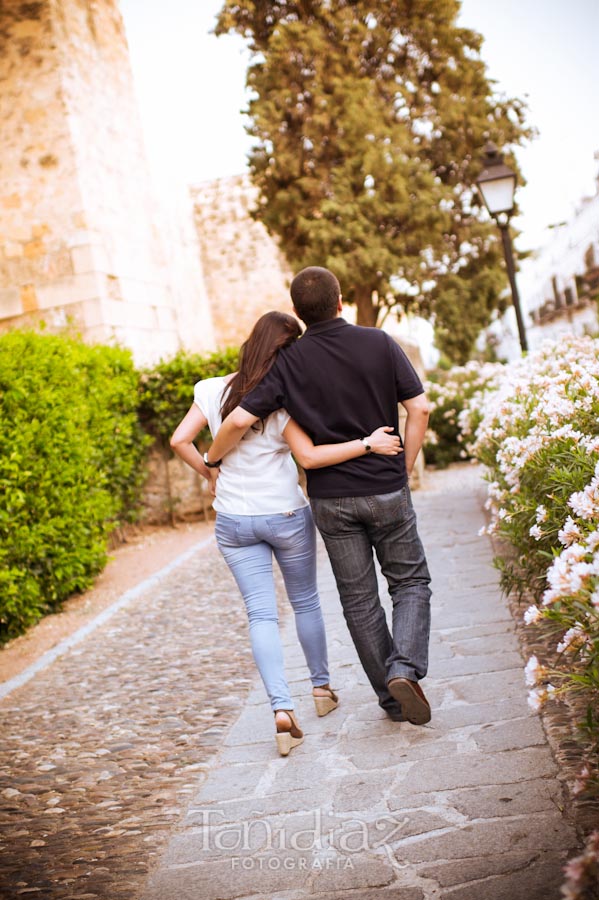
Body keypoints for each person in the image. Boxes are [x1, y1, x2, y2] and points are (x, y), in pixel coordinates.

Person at [205, 268, 432, 726]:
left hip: (331, 500)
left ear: (297, 312)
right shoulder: (380, 342)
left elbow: (234, 423)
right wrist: (402, 466)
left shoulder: (288, 363)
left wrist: (212, 463)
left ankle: (391, 700)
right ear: (341, 301)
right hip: (386, 487)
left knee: (358, 600)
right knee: (409, 583)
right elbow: (420, 407)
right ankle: (404, 668)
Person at [170, 311, 402, 755]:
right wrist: (369, 443)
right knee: (305, 602)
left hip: (233, 520)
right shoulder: (282, 398)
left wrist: (208, 472)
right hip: (286, 515)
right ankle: (321, 690)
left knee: (260, 615)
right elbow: (310, 458)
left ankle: (281, 710)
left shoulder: (210, 388)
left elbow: (180, 440)